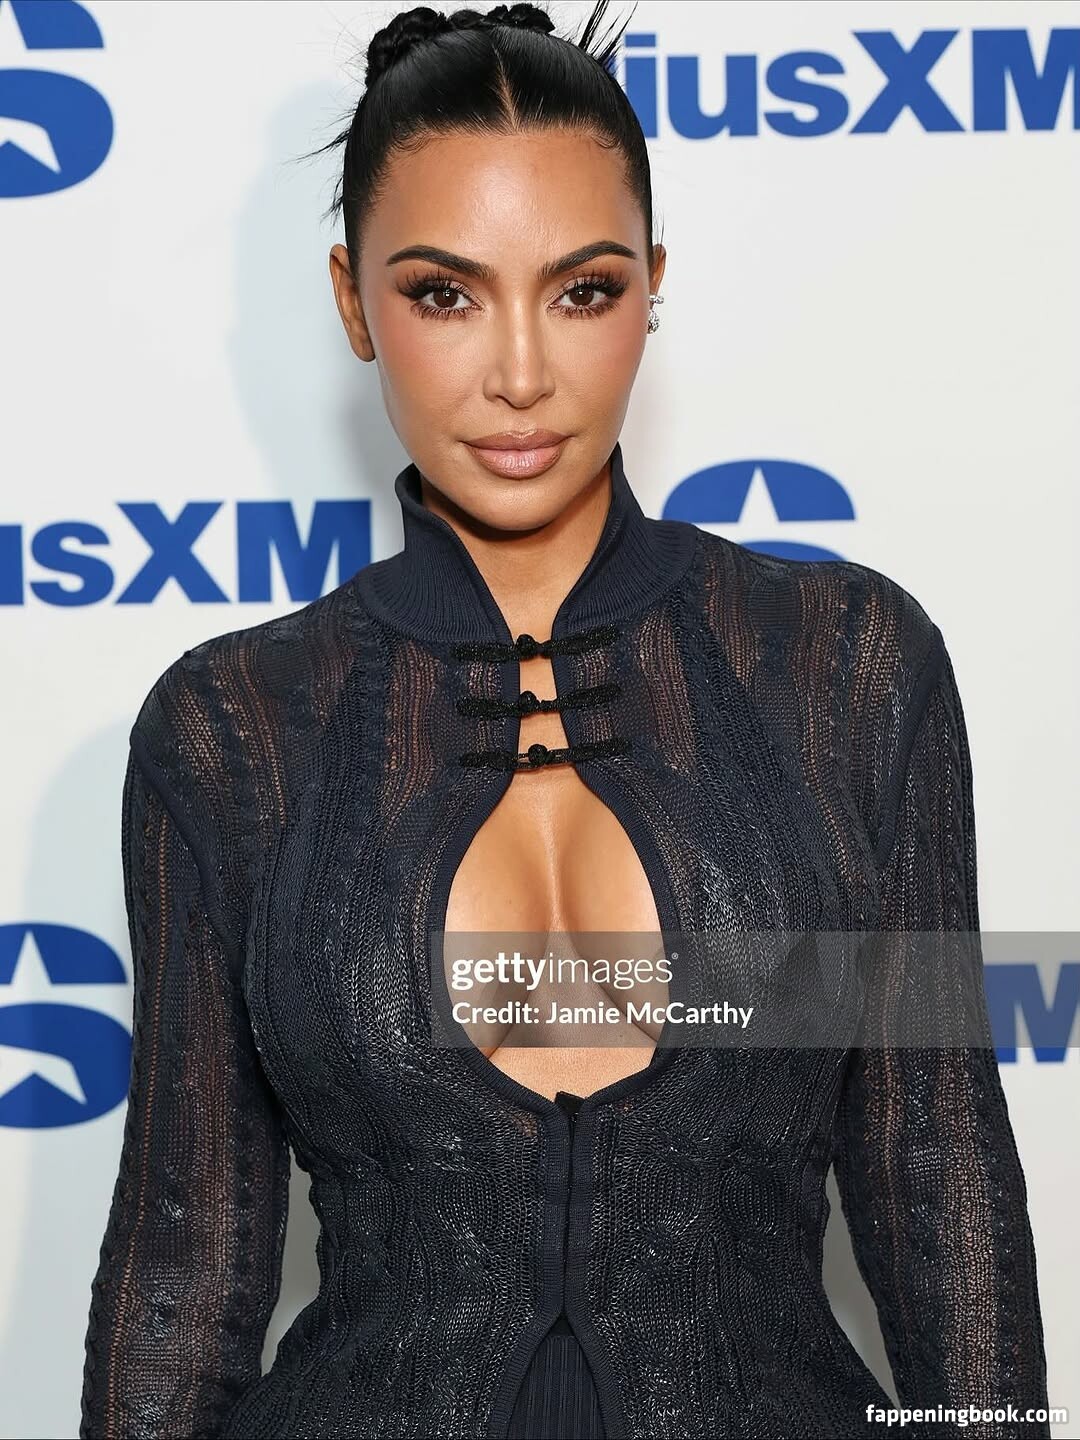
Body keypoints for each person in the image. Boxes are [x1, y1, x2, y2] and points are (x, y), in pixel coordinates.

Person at [78, 3, 1051, 1438]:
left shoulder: (846, 671)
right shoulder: (236, 732)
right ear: (352, 301)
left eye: (583, 290)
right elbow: (183, 1264)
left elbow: (941, 1191)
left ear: (653, 287)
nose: (521, 373)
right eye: (446, 295)